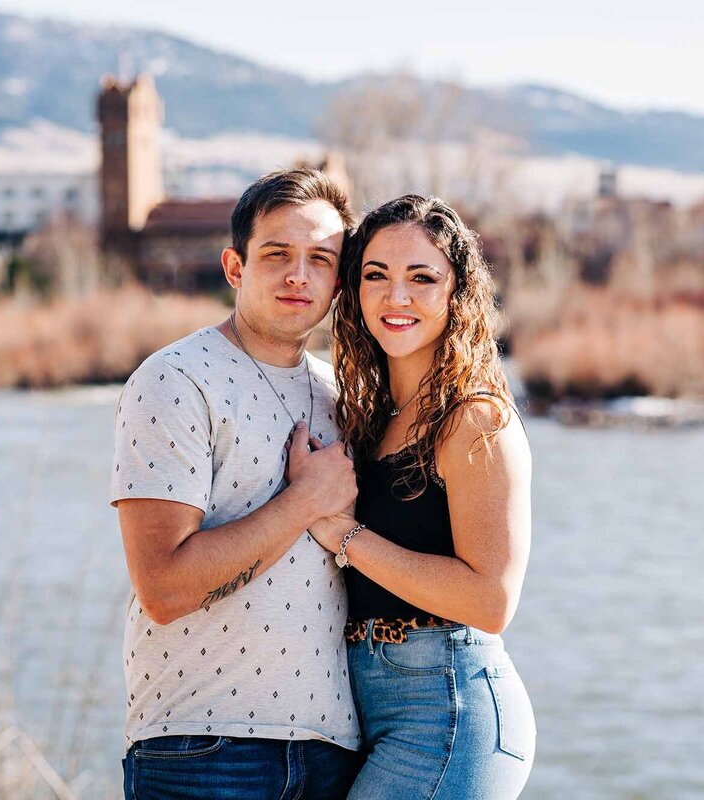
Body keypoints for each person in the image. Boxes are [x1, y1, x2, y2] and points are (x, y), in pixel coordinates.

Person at [110, 168, 363, 799]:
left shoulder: (345, 395)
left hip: (334, 752)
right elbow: (164, 587)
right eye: (277, 254)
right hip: (202, 749)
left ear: (339, 280)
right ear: (234, 267)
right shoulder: (174, 380)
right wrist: (303, 501)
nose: (298, 275)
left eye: (320, 259)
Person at [309, 195, 536, 798]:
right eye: (376, 275)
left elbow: (491, 600)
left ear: (456, 293)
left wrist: (346, 537)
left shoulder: (475, 419)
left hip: (450, 709)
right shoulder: (370, 416)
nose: (396, 297)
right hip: (365, 709)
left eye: (422, 278)